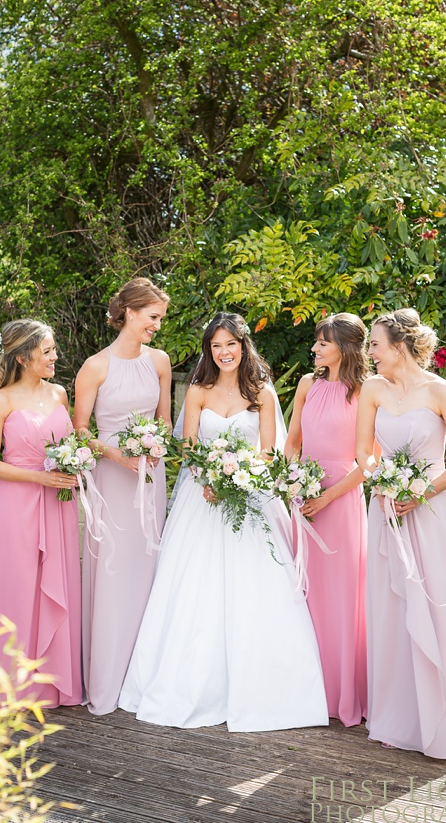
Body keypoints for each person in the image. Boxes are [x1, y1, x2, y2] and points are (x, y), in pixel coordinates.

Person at [118, 312, 328, 732]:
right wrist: (209, 478)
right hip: (203, 499)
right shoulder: (197, 390)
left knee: (257, 586)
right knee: (195, 586)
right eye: (216, 346)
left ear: (243, 345)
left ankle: (266, 690)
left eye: (230, 344)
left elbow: (269, 453)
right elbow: (190, 449)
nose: (224, 352)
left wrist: (242, 477)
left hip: (250, 497)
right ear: (208, 351)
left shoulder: (263, 393)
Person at [356, 308, 446, 758]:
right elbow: (363, 452)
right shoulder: (372, 389)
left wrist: (423, 489)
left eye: (374, 344)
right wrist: (381, 482)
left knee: (432, 601)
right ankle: (394, 719)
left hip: (428, 509)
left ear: (399, 346)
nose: (370, 352)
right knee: (390, 606)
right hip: (386, 509)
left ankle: (437, 723)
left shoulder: (440, 391)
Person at [74, 277, 172, 716]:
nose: (156, 326)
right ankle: (106, 676)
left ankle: (142, 675)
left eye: (159, 319)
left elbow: (166, 422)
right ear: (130, 313)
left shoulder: (161, 362)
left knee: (147, 566)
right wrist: (115, 453)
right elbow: (79, 431)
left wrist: (155, 446)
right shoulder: (95, 366)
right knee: (113, 571)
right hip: (112, 479)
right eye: (153, 317)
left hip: (151, 477)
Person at [0, 319, 82, 707]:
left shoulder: (59, 394)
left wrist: (76, 463)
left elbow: (71, 442)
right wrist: (38, 478)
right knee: (19, 590)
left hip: (57, 505)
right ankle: (16, 688)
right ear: (23, 357)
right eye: (48, 352)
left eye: (54, 349)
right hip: (18, 504)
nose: (55, 357)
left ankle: (52, 685)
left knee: (56, 586)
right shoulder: (1, 401)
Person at [284, 313, 368, 727]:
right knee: (308, 592)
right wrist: (293, 482)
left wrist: (330, 495)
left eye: (322, 343)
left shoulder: (366, 392)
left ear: (345, 348)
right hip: (306, 498)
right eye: (316, 343)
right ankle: (309, 689)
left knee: (343, 594)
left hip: (343, 498)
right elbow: (293, 443)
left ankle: (345, 693)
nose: (315, 349)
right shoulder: (307, 385)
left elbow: (371, 462)